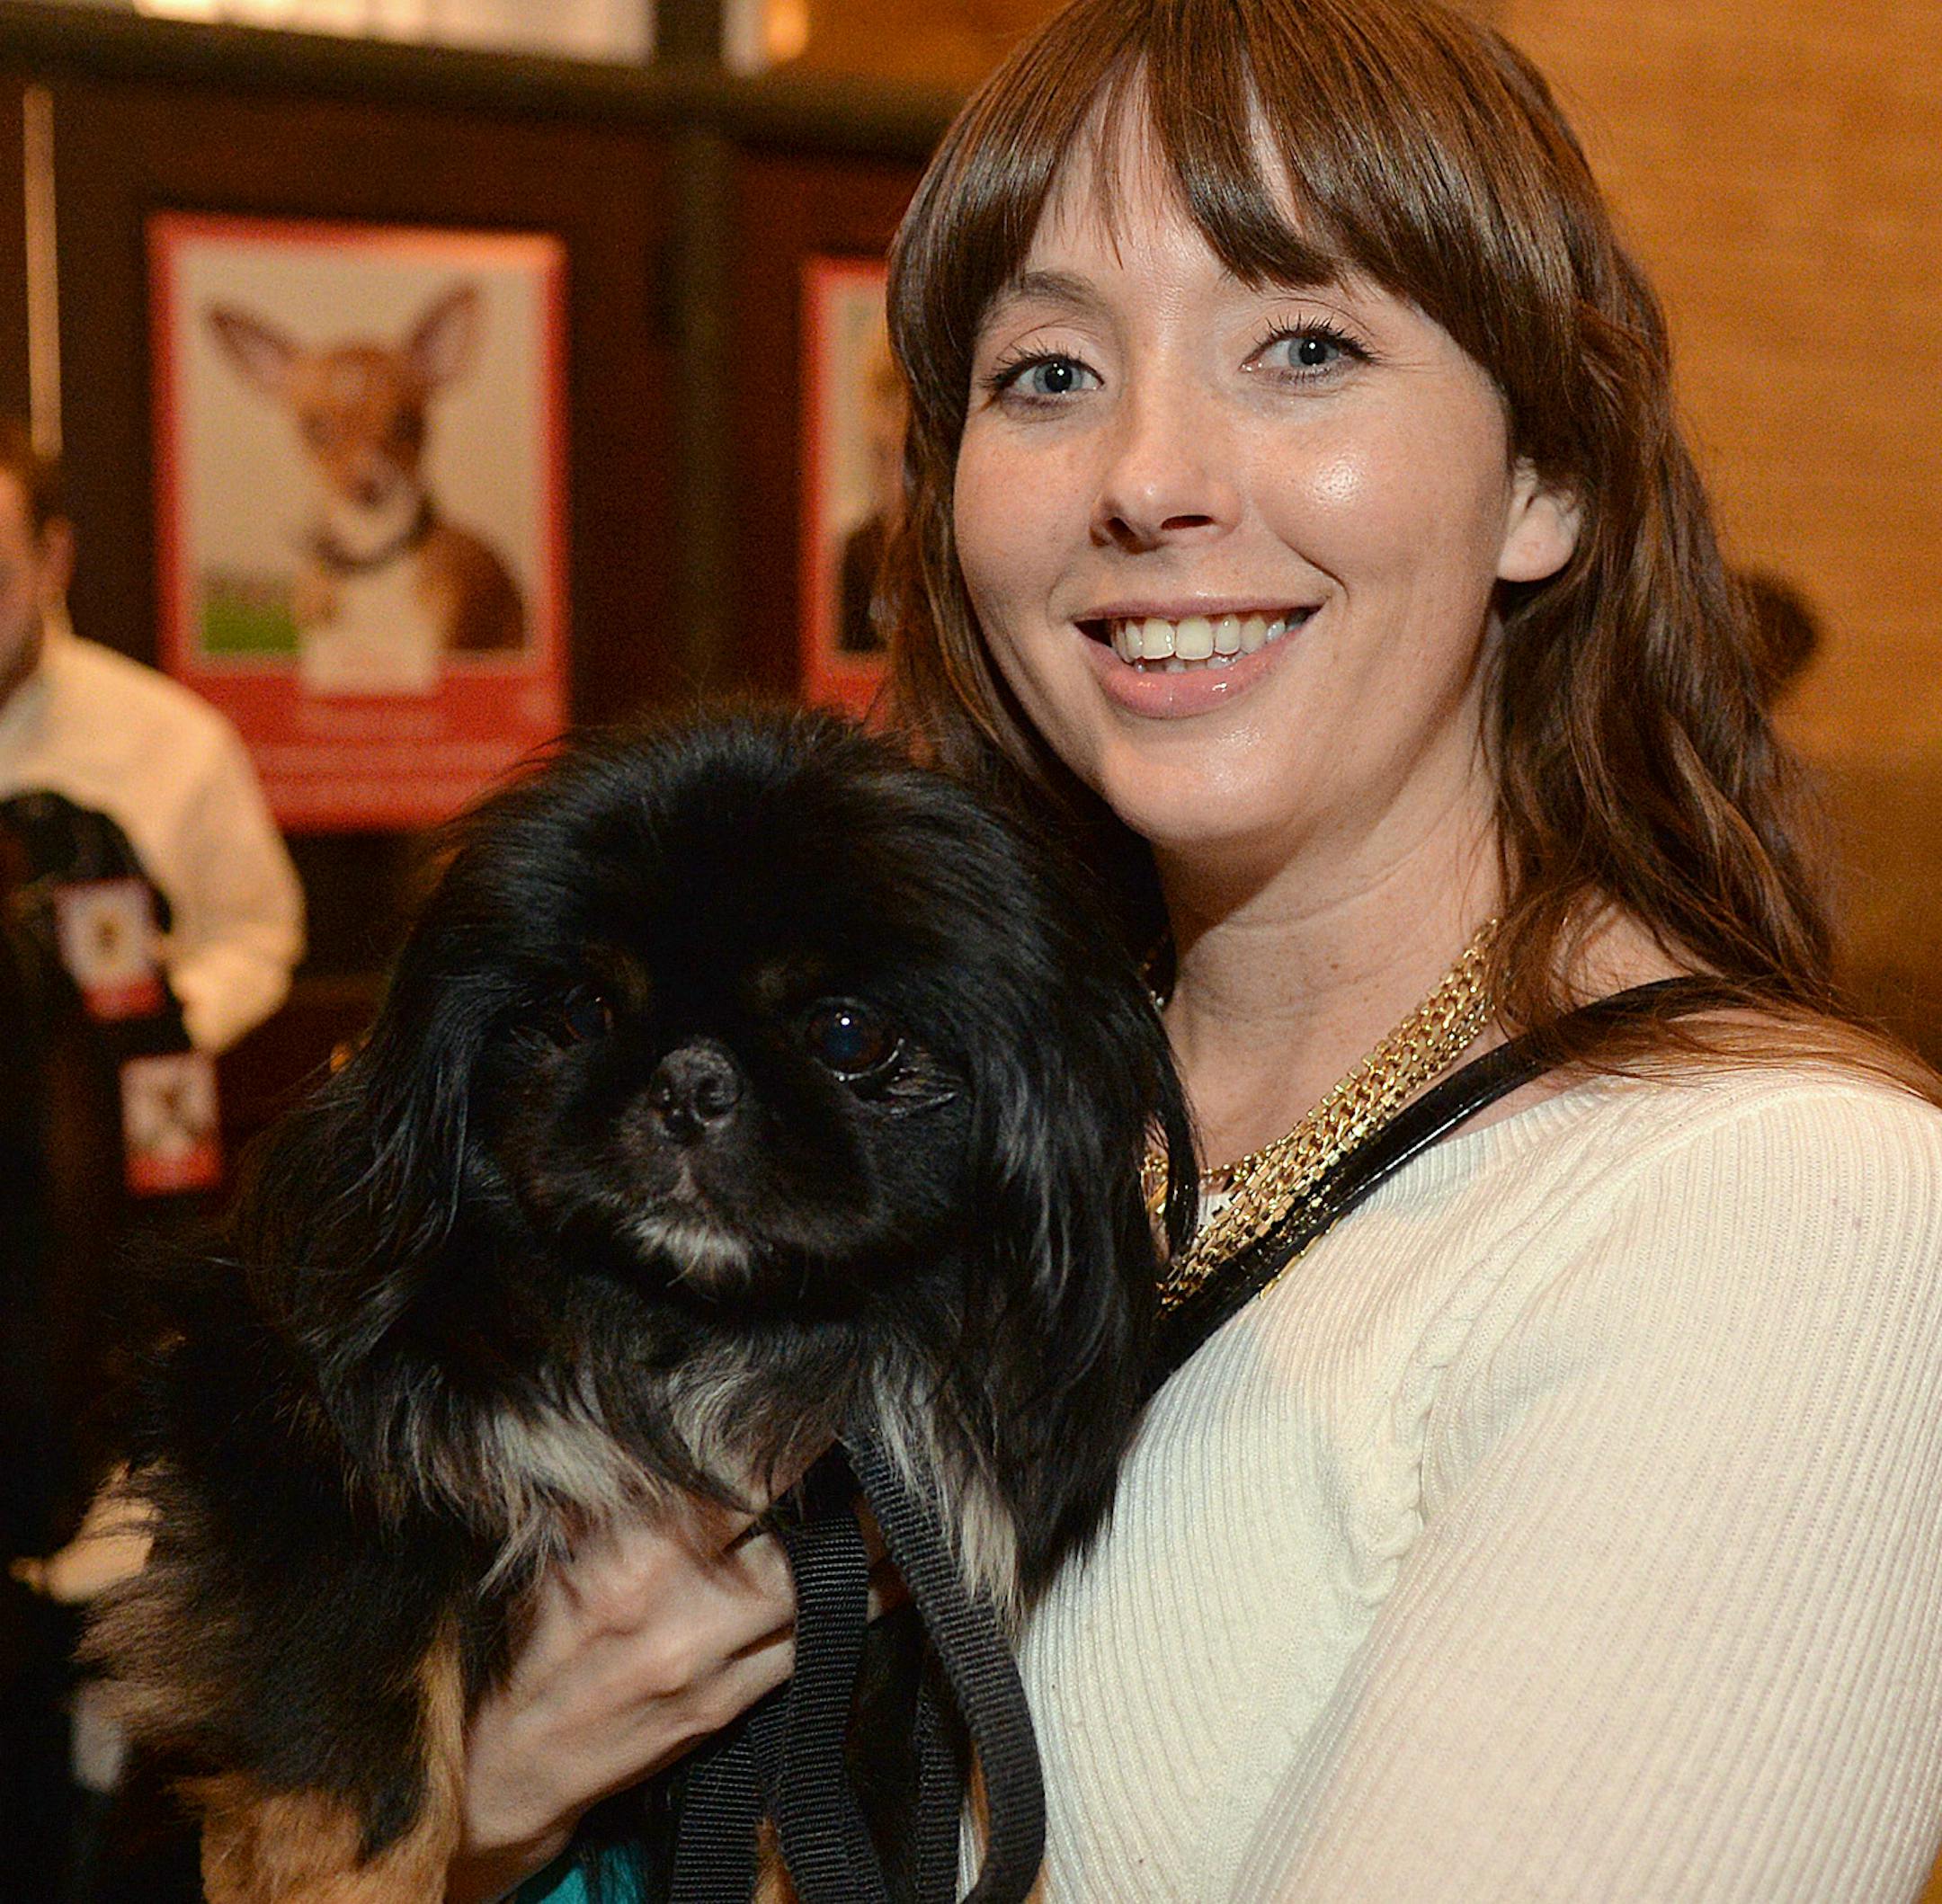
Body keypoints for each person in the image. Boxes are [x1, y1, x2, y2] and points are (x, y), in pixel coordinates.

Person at [449, 2, 1942, 1898]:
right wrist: (475, 1802)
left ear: (1548, 477)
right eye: (1049, 372)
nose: (1148, 477)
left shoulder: (1783, 1218)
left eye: (1304, 347)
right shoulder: (938, 1121)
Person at [0, 418, 304, 1058]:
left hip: (100, 1136)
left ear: (53, 560)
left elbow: (256, 935)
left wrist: (152, 1035)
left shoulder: (173, 739)